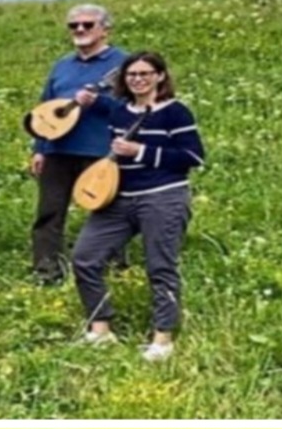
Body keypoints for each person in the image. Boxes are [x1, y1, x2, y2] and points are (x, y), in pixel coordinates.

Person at [71, 51, 205, 362]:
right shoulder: (120, 113)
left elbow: (193, 156)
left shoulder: (176, 113)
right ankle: (100, 331)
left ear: (160, 76)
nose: (138, 79)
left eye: (145, 73)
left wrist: (140, 151)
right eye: (132, 74)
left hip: (163, 197)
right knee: (85, 258)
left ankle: (162, 340)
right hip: (118, 197)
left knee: (160, 266)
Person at [29, 4, 129, 285]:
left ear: (105, 29)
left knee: (107, 212)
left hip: (101, 152)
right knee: (49, 213)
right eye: (74, 25)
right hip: (58, 150)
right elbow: (45, 109)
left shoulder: (123, 64)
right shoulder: (62, 65)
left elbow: (132, 110)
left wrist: (99, 102)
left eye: (87, 24)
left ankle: (111, 270)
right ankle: (46, 271)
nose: (80, 29)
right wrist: (39, 149)